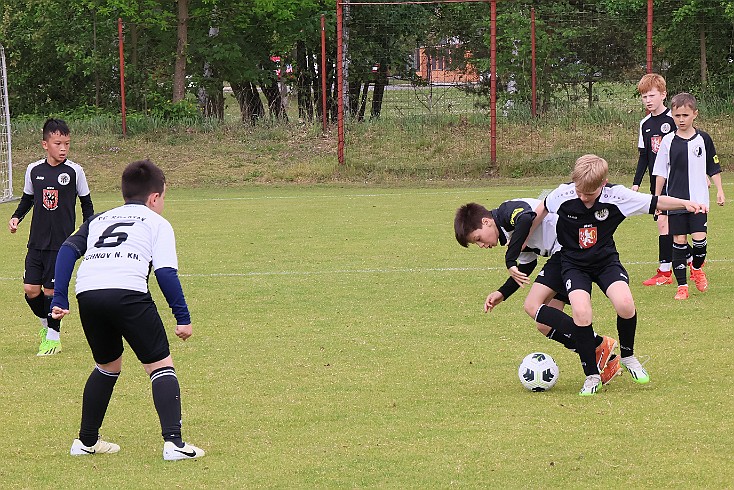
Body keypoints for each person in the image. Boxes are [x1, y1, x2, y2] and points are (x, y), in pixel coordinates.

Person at [50, 159, 204, 460]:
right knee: (160, 365)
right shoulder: (158, 223)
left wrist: (59, 297)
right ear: (155, 197)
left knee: (108, 366)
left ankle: (86, 442)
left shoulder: (100, 219)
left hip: (88, 292)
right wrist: (183, 318)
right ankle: (174, 443)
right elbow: (166, 274)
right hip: (127, 292)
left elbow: (68, 250)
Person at [535, 154, 708, 395]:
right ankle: (592, 376)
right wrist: (521, 240)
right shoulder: (563, 194)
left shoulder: (618, 196)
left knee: (625, 303)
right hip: (573, 264)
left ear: (604, 183)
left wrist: (686, 203)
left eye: (590, 193)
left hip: (605, 261)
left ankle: (628, 357)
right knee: (581, 312)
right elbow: (541, 209)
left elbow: (656, 201)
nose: (583, 197)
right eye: (580, 191)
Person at [454, 199, 621, 385]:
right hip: (567, 253)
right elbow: (527, 265)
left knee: (532, 305)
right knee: (545, 325)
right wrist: (502, 293)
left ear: (486, 222)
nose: (482, 245)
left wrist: (510, 260)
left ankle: (597, 343)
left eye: (478, 239)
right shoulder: (509, 236)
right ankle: (607, 358)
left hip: (570, 248)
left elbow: (526, 218)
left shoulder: (505, 211)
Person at [8, 118, 94, 356]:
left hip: (63, 245)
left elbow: (87, 205)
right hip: (36, 242)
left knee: (50, 292)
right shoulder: (34, 170)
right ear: (45, 144)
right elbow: (28, 199)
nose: (63, 148)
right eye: (58, 143)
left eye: (67, 143)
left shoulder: (75, 172)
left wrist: (89, 232)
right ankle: (47, 325)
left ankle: (53, 339)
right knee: (30, 290)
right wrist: (16, 217)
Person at [652, 92, 725, 300]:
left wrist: (720, 190)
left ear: (695, 114)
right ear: (672, 116)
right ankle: (682, 286)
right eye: (677, 116)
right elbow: (660, 172)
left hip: (699, 201)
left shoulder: (704, 139)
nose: (681, 120)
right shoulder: (667, 141)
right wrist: (657, 200)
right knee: (680, 242)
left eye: (685, 115)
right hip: (675, 202)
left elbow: (714, 166)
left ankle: (698, 268)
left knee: (700, 244)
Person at [631, 73, 679, 286]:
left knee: (664, 222)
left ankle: (665, 272)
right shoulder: (644, 124)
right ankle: (688, 258)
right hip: (655, 182)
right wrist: (636, 182)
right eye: (644, 97)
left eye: (652, 95)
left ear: (663, 95)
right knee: (670, 225)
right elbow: (644, 156)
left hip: (675, 180)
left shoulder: (674, 119)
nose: (648, 100)